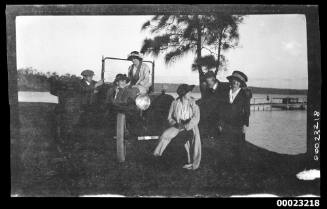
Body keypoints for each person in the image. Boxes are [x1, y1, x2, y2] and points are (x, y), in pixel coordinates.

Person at [153, 84, 201, 170]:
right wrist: (175, 124)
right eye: (188, 92)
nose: (190, 94)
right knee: (165, 135)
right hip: (177, 125)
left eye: (190, 92)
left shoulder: (193, 103)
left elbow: (196, 118)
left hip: (190, 127)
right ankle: (157, 155)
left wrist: (187, 126)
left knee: (192, 141)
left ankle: (191, 163)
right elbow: (169, 117)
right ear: (183, 93)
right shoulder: (175, 103)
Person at [218, 71, 250, 166]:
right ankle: (225, 164)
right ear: (231, 81)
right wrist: (220, 123)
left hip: (238, 124)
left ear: (240, 83)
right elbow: (221, 109)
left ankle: (239, 165)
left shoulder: (244, 94)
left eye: (238, 82)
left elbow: (247, 111)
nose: (235, 83)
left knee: (238, 145)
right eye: (234, 81)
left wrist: (245, 125)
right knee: (225, 144)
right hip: (226, 124)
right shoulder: (225, 93)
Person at [198, 71, 229, 138]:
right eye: (206, 82)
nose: (206, 84)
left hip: (223, 121)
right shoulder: (207, 89)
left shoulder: (225, 87)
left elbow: (227, 107)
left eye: (208, 82)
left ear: (213, 79)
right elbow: (204, 102)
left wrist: (221, 123)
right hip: (211, 122)